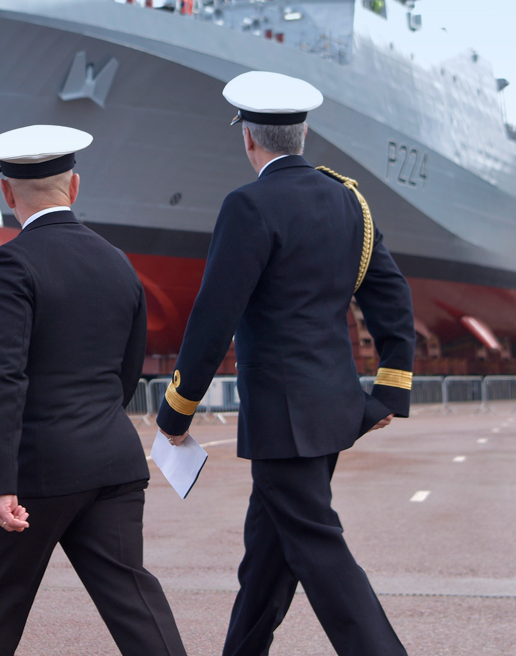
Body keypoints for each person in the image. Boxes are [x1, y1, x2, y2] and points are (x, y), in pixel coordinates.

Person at [155, 71, 417, 656]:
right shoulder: (350, 200)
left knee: (319, 552)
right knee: (269, 557)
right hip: (333, 411)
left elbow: (213, 316)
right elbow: (392, 296)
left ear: (248, 137)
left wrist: (177, 409)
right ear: (303, 134)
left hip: (282, 419)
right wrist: (389, 392)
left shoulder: (248, 206)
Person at [0, 125, 186, 656]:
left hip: (37, 471)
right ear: (75, 187)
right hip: (112, 461)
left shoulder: (9, 262)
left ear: (7, 192)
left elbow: (2, 375)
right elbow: (127, 371)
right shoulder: (118, 262)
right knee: (136, 605)